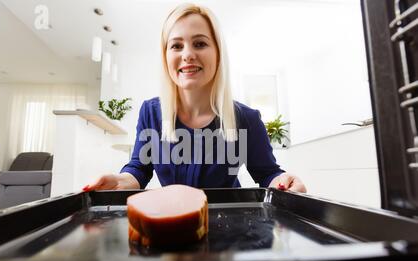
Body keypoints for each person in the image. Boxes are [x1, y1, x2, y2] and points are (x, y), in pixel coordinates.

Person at [84, 3, 306, 193]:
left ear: (218, 53)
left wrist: (284, 182)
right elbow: (139, 169)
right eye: (176, 46)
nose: (187, 54)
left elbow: (268, 173)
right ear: (166, 56)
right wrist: (120, 180)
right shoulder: (151, 112)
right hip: (173, 225)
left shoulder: (246, 118)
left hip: (229, 226)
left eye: (200, 43)